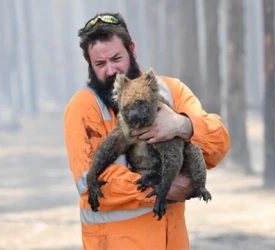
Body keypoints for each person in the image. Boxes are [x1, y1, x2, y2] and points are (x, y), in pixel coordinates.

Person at [64, 12, 230, 250]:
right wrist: (162, 188)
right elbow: (90, 179)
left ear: (132, 49)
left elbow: (219, 143)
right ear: (89, 63)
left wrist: (183, 125)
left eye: (116, 58)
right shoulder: (83, 107)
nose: (111, 70)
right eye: (100, 64)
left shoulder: (170, 90)